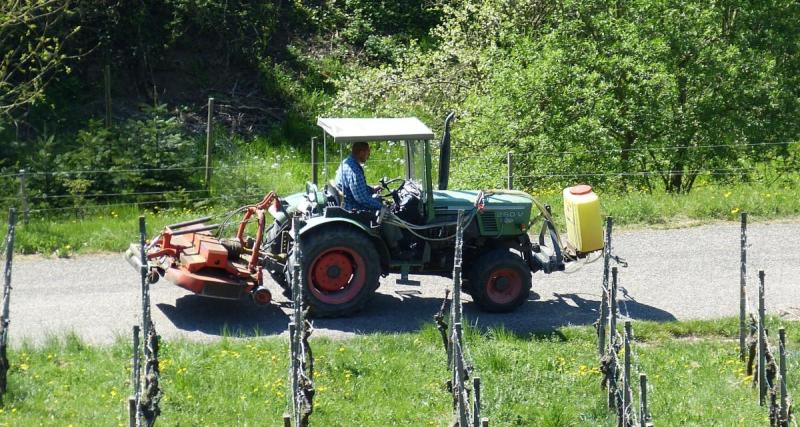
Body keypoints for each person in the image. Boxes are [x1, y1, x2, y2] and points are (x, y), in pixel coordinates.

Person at [335, 141, 383, 212]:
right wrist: (383, 207)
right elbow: (362, 199)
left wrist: (372, 189)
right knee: (385, 208)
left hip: (348, 202)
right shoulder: (355, 171)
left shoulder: (347, 162)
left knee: (378, 199)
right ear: (361, 152)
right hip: (352, 208)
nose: (369, 155)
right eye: (368, 152)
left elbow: (358, 189)